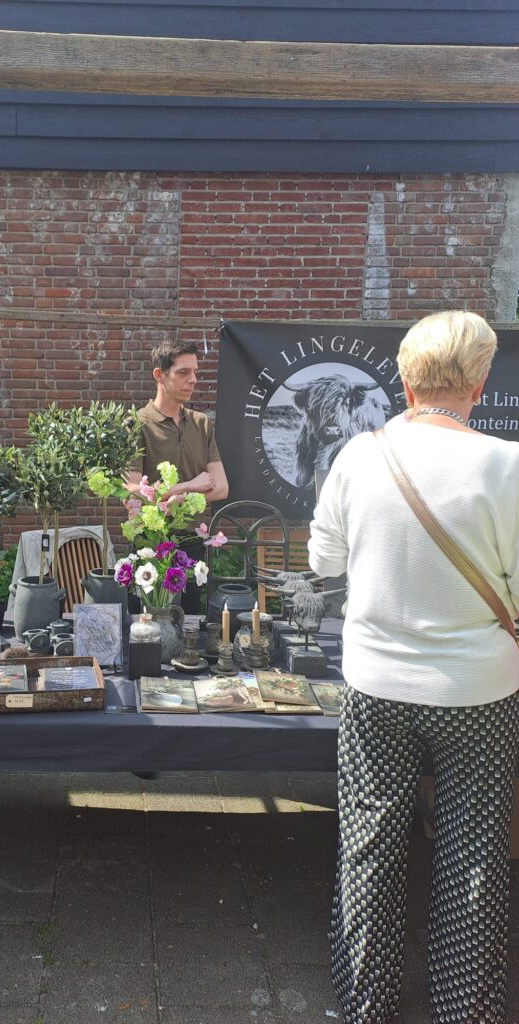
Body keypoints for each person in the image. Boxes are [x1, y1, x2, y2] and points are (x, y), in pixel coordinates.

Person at [308, 310, 519, 1024]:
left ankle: (366, 1005)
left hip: (376, 685)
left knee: (369, 847)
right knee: (474, 856)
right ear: (480, 383)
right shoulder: (507, 464)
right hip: (479, 691)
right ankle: (465, 1009)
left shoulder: (356, 456)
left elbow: (323, 561)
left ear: (404, 381)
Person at [125, 339, 228, 612]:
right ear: (159, 375)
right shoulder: (137, 424)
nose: (193, 380)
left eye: (194, 372)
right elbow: (132, 492)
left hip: (192, 543)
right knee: (145, 626)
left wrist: (177, 499)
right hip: (149, 543)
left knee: (189, 625)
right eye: (183, 372)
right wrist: (189, 487)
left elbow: (221, 487)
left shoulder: (201, 423)